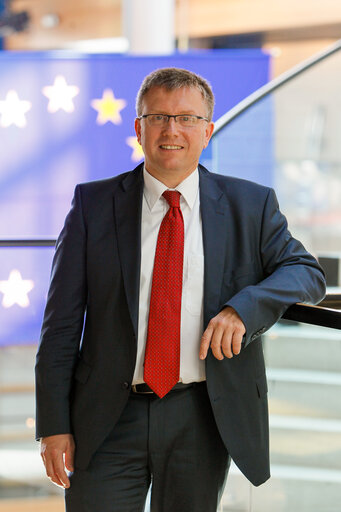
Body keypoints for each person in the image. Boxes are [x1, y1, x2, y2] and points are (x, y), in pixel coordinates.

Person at [36, 67, 326, 512]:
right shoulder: (93, 205)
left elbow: (306, 271)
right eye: (158, 118)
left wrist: (244, 309)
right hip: (106, 419)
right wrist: (53, 424)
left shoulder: (249, 204)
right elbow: (59, 327)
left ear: (207, 131)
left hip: (203, 416)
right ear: (139, 128)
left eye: (187, 118)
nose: (172, 130)